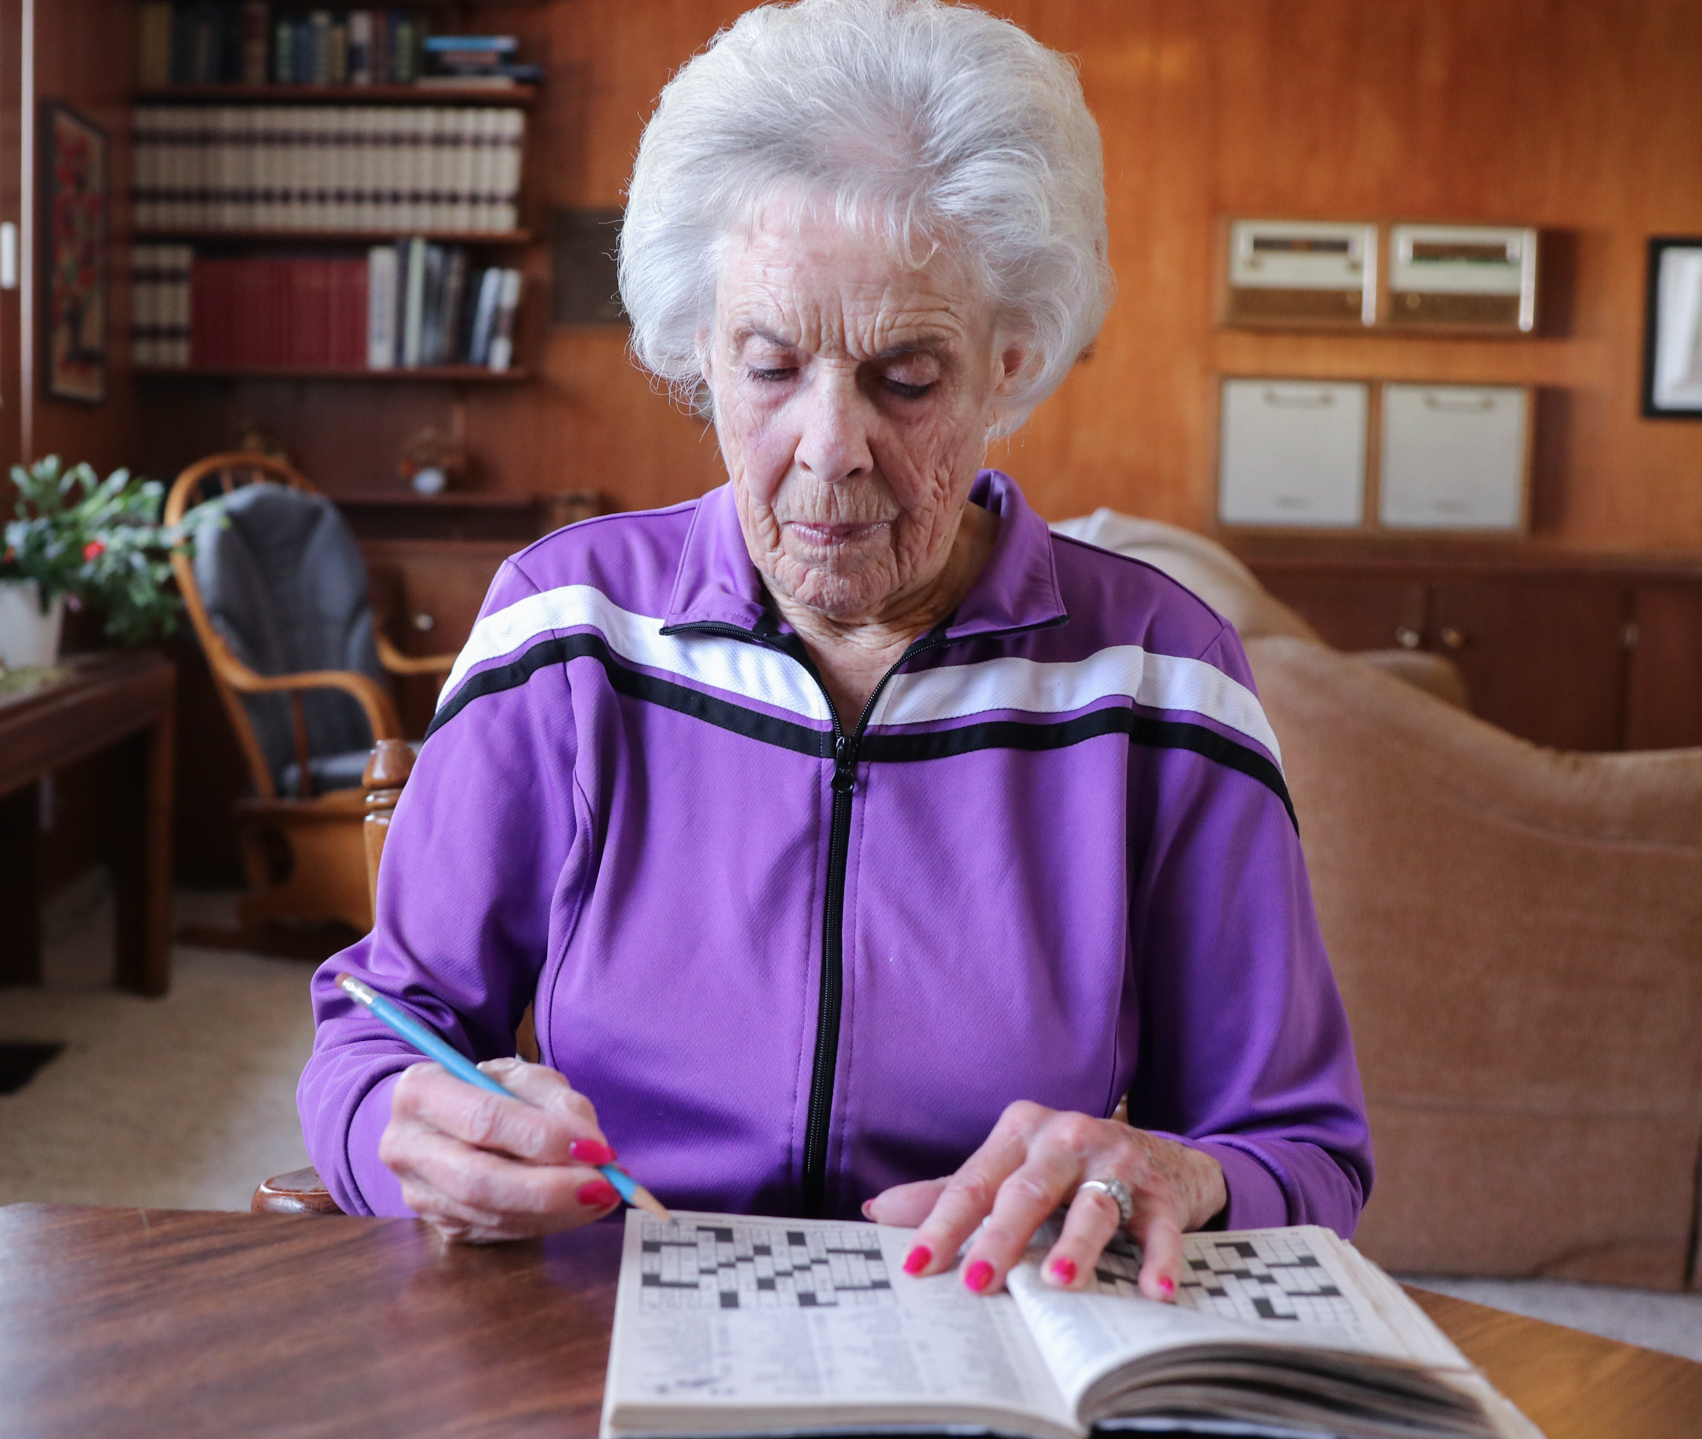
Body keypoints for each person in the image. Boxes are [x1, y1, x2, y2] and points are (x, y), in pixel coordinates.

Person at [300, 0, 1370, 1304]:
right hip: (606, 1327)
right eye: (770, 364)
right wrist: (395, 1132)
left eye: (906, 378)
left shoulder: (1160, 676)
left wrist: (1179, 1177)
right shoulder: (566, 630)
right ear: (697, 348)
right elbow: (382, 1024)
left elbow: (1299, 1151)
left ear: (1011, 360)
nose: (829, 444)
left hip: (991, 1343)